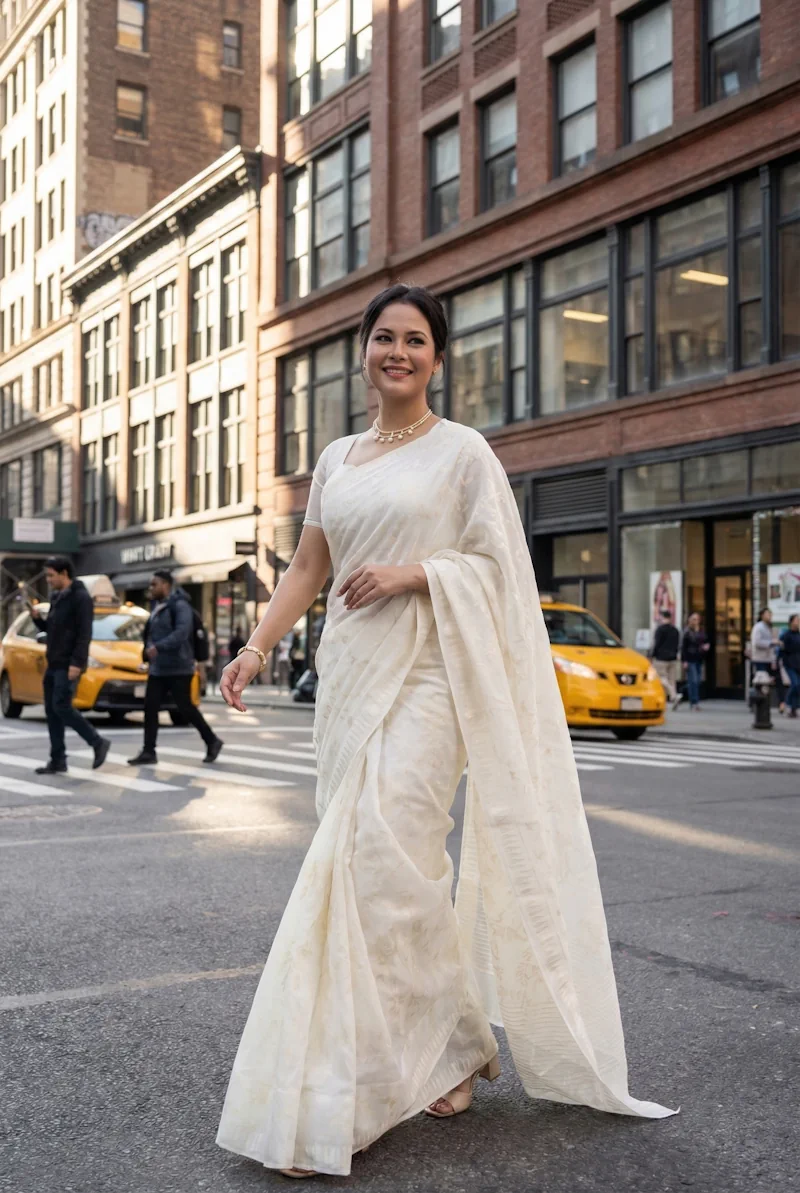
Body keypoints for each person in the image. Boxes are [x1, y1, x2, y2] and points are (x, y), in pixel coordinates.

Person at [214, 284, 674, 1179]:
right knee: (379, 871)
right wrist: (257, 647)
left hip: (429, 680)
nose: (398, 352)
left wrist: (417, 571)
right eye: (383, 337)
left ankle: (348, 1089)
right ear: (362, 351)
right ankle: (460, 1037)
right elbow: (310, 564)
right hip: (349, 680)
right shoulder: (339, 458)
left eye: (415, 340)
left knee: (383, 867)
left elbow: (501, 572)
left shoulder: (465, 454)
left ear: (438, 356)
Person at [127, 569, 222, 766]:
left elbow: (181, 633)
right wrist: (148, 651)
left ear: (166, 585)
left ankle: (212, 740)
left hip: (179, 667)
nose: (151, 588)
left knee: (185, 707)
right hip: (159, 668)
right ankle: (148, 751)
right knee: (150, 707)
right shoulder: (158, 606)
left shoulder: (180, 606)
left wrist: (158, 647)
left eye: (154, 584)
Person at [29, 557, 111, 775]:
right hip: (53, 662)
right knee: (52, 711)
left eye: (51, 575)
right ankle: (57, 759)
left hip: (68, 664)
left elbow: (84, 634)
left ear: (64, 573)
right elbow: (52, 629)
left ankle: (97, 741)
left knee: (61, 706)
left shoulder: (81, 598)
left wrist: (77, 663)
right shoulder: (57, 597)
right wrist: (37, 620)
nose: (48, 580)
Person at [650, 608, 681, 710]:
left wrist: (651, 655)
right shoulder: (675, 630)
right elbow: (677, 645)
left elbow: (657, 644)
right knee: (672, 680)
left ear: (662, 617)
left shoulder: (660, 629)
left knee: (662, 677)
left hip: (661, 658)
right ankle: (673, 699)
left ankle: (673, 695)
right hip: (672, 658)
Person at [681, 612, 709, 710]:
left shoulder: (701, 631)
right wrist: (684, 661)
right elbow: (683, 647)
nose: (696, 621)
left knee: (696, 681)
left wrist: (706, 646)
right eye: (694, 619)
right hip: (690, 658)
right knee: (694, 681)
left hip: (699, 658)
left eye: (697, 619)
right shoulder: (687, 632)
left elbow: (705, 641)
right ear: (690, 620)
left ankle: (684, 696)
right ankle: (694, 702)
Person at [778, 614, 800, 719]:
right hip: (789, 663)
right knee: (795, 684)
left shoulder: (798, 634)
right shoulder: (786, 635)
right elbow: (782, 650)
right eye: (797, 620)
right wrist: (779, 660)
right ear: (791, 622)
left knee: (798, 686)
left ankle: (794, 710)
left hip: (798, 664)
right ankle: (786, 704)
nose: (798, 621)